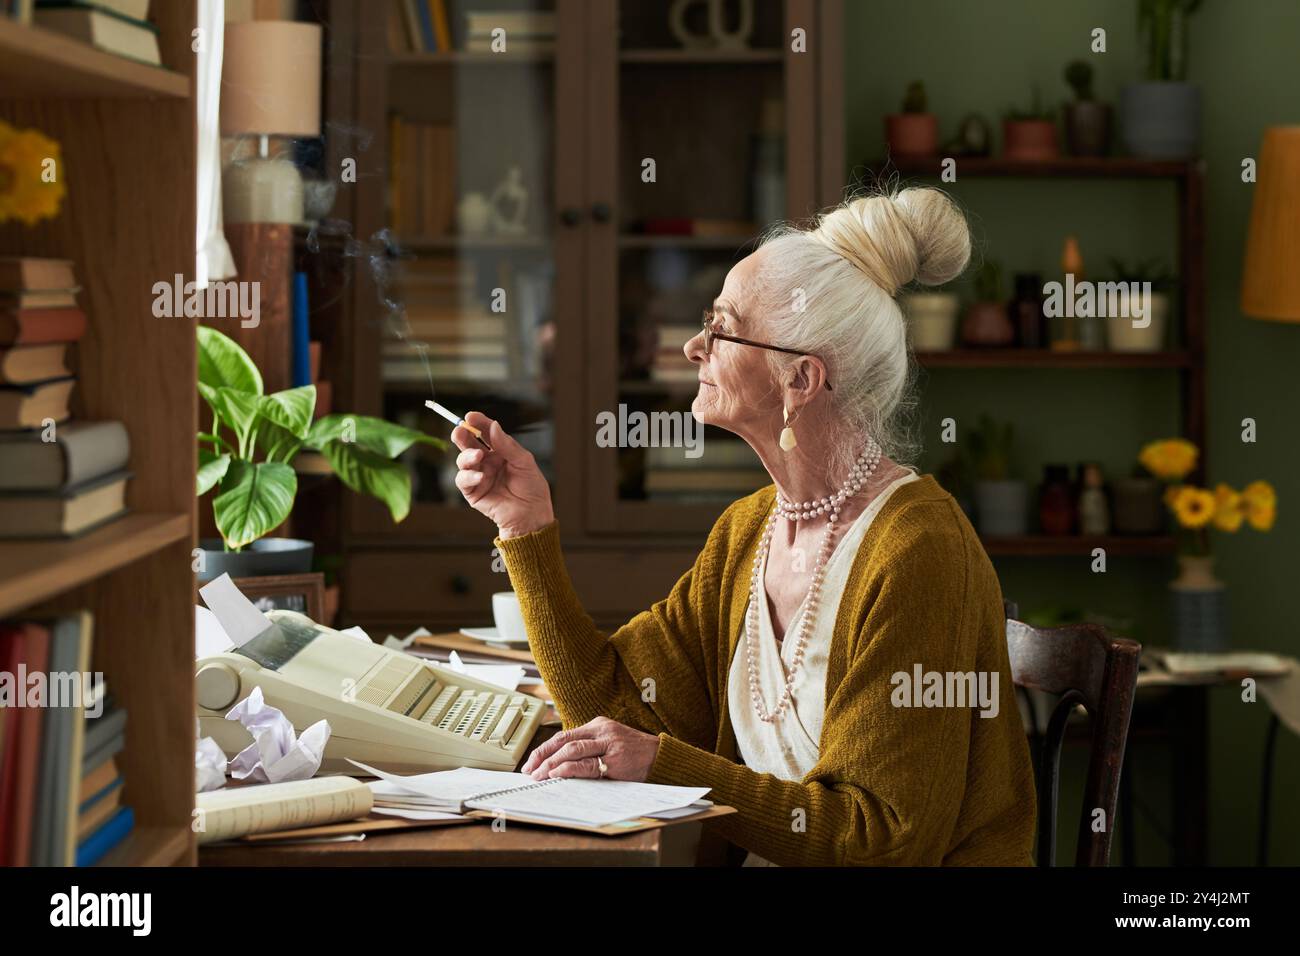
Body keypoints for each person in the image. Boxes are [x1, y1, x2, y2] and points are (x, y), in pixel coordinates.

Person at [451, 187, 1037, 866]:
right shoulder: (748, 531)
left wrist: (670, 768)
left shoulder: (917, 550)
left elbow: (880, 841)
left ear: (801, 380)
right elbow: (616, 708)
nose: (695, 346)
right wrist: (526, 527)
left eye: (723, 328)